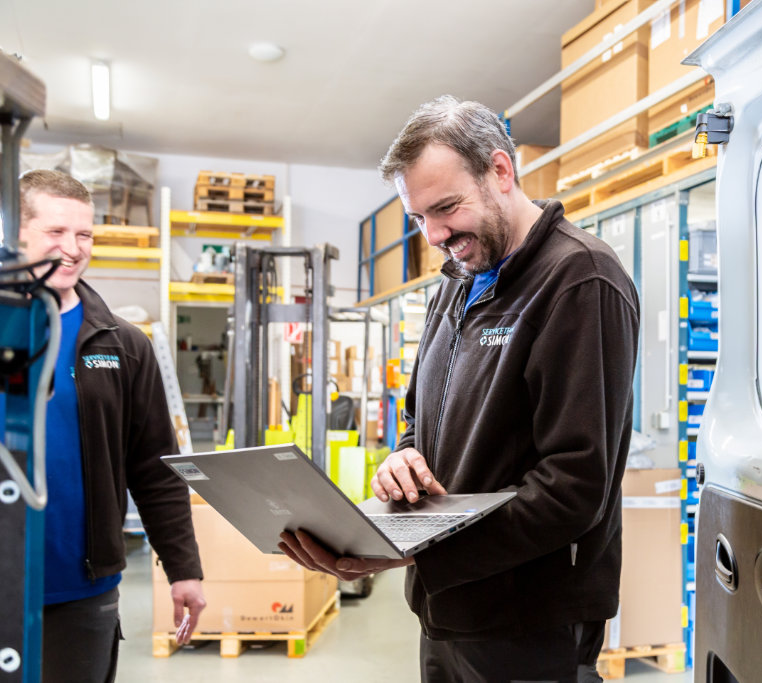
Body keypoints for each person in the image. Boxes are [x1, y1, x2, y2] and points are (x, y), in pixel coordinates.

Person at [280, 96, 640, 681]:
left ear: (501, 171)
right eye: (418, 218)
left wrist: (411, 548)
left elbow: (574, 488)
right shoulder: (457, 282)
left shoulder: (581, 281)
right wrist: (401, 460)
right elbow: (420, 419)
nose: (435, 234)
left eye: (446, 207)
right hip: (446, 609)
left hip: (529, 623)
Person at [16, 170, 205, 682]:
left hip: (83, 590)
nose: (73, 249)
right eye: (56, 232)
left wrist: (183, 567)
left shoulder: (123, 345)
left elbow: (155, 468)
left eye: (84, 235)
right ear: (18, 233)